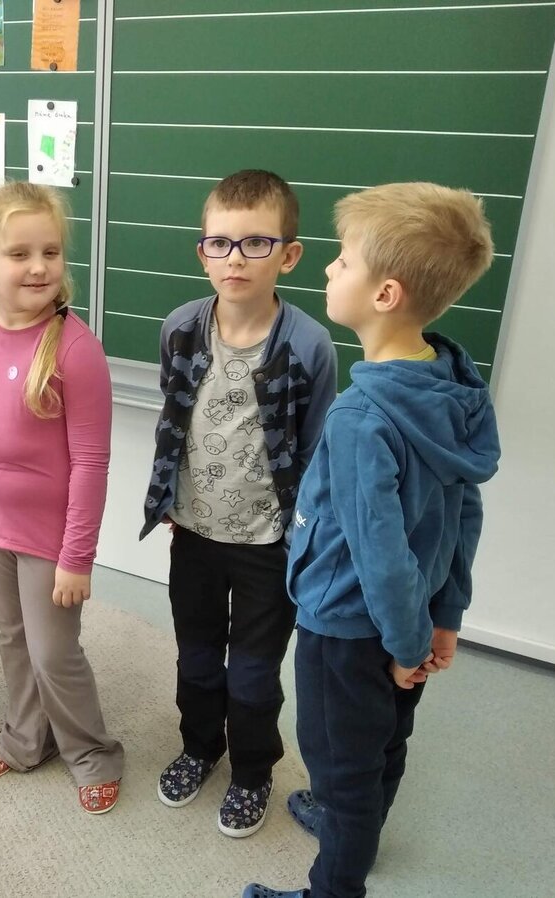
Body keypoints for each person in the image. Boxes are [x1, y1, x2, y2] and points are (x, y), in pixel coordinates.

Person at [243, 182, 500, 898]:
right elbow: (462, 513)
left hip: (348, 626)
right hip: (404, 621)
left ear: (385, 294)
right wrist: (443, 617)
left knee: (341, 767)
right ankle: (354, 831)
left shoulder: (362, 417)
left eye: (343, 260)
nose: (329, 268)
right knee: (384, 741)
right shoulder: (449, 386)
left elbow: (379, 552)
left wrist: (407, 643)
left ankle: (337, 877)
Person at [141, 170, 337, 836]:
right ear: (202, 252)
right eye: (220, 243)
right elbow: (174, 419)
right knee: (196, 660)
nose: (235, 258)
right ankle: (200, 748)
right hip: (194, 535)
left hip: (268, 546)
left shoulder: (308, 345)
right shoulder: (180, 328)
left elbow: (313, 451)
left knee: (253, 676)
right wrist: (170, 501)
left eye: (256, 243)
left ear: (289, 254)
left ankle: (252, 771)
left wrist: (303, 539)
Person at [0, 181, 125, 815]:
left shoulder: (77, 348)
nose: (37, 267)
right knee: (13, 638)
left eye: (50, 252)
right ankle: (27, 738)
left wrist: (78, 557)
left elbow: (91, 462)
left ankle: (93, 751)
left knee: (53, 650)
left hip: (51, 536)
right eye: (19, 253)